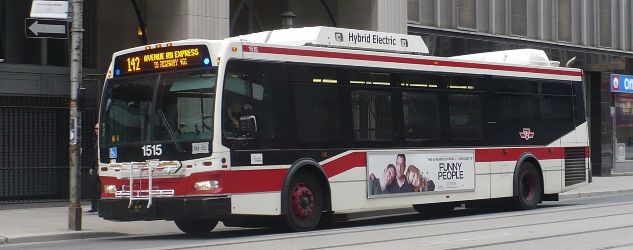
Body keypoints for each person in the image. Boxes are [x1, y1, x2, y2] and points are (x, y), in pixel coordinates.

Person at [86, 123, 101, 213]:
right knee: (92, 185)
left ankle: (98, 206)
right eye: (95, 129)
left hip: (102, 166)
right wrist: (91, 167)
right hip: (95, 166)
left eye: (98, 129)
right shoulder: (95, 140)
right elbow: (93, 155)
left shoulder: (105, 140)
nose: (96, 130)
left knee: (100, 187)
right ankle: (94, 206)